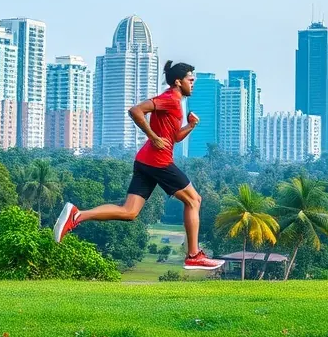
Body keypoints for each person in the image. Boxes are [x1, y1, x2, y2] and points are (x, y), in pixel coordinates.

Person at [53, 60, 224, 270]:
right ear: (178, 82)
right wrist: (152, 136)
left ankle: (77, 215)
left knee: (129, 212)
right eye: (191, 80)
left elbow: (174, 137)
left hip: (146, 161)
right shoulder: (169, 98)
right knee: (194, 200)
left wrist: (190, 125)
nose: (193, 83)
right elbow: (136, 110)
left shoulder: (176, 102)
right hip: (158, 161)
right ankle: (193, 255)